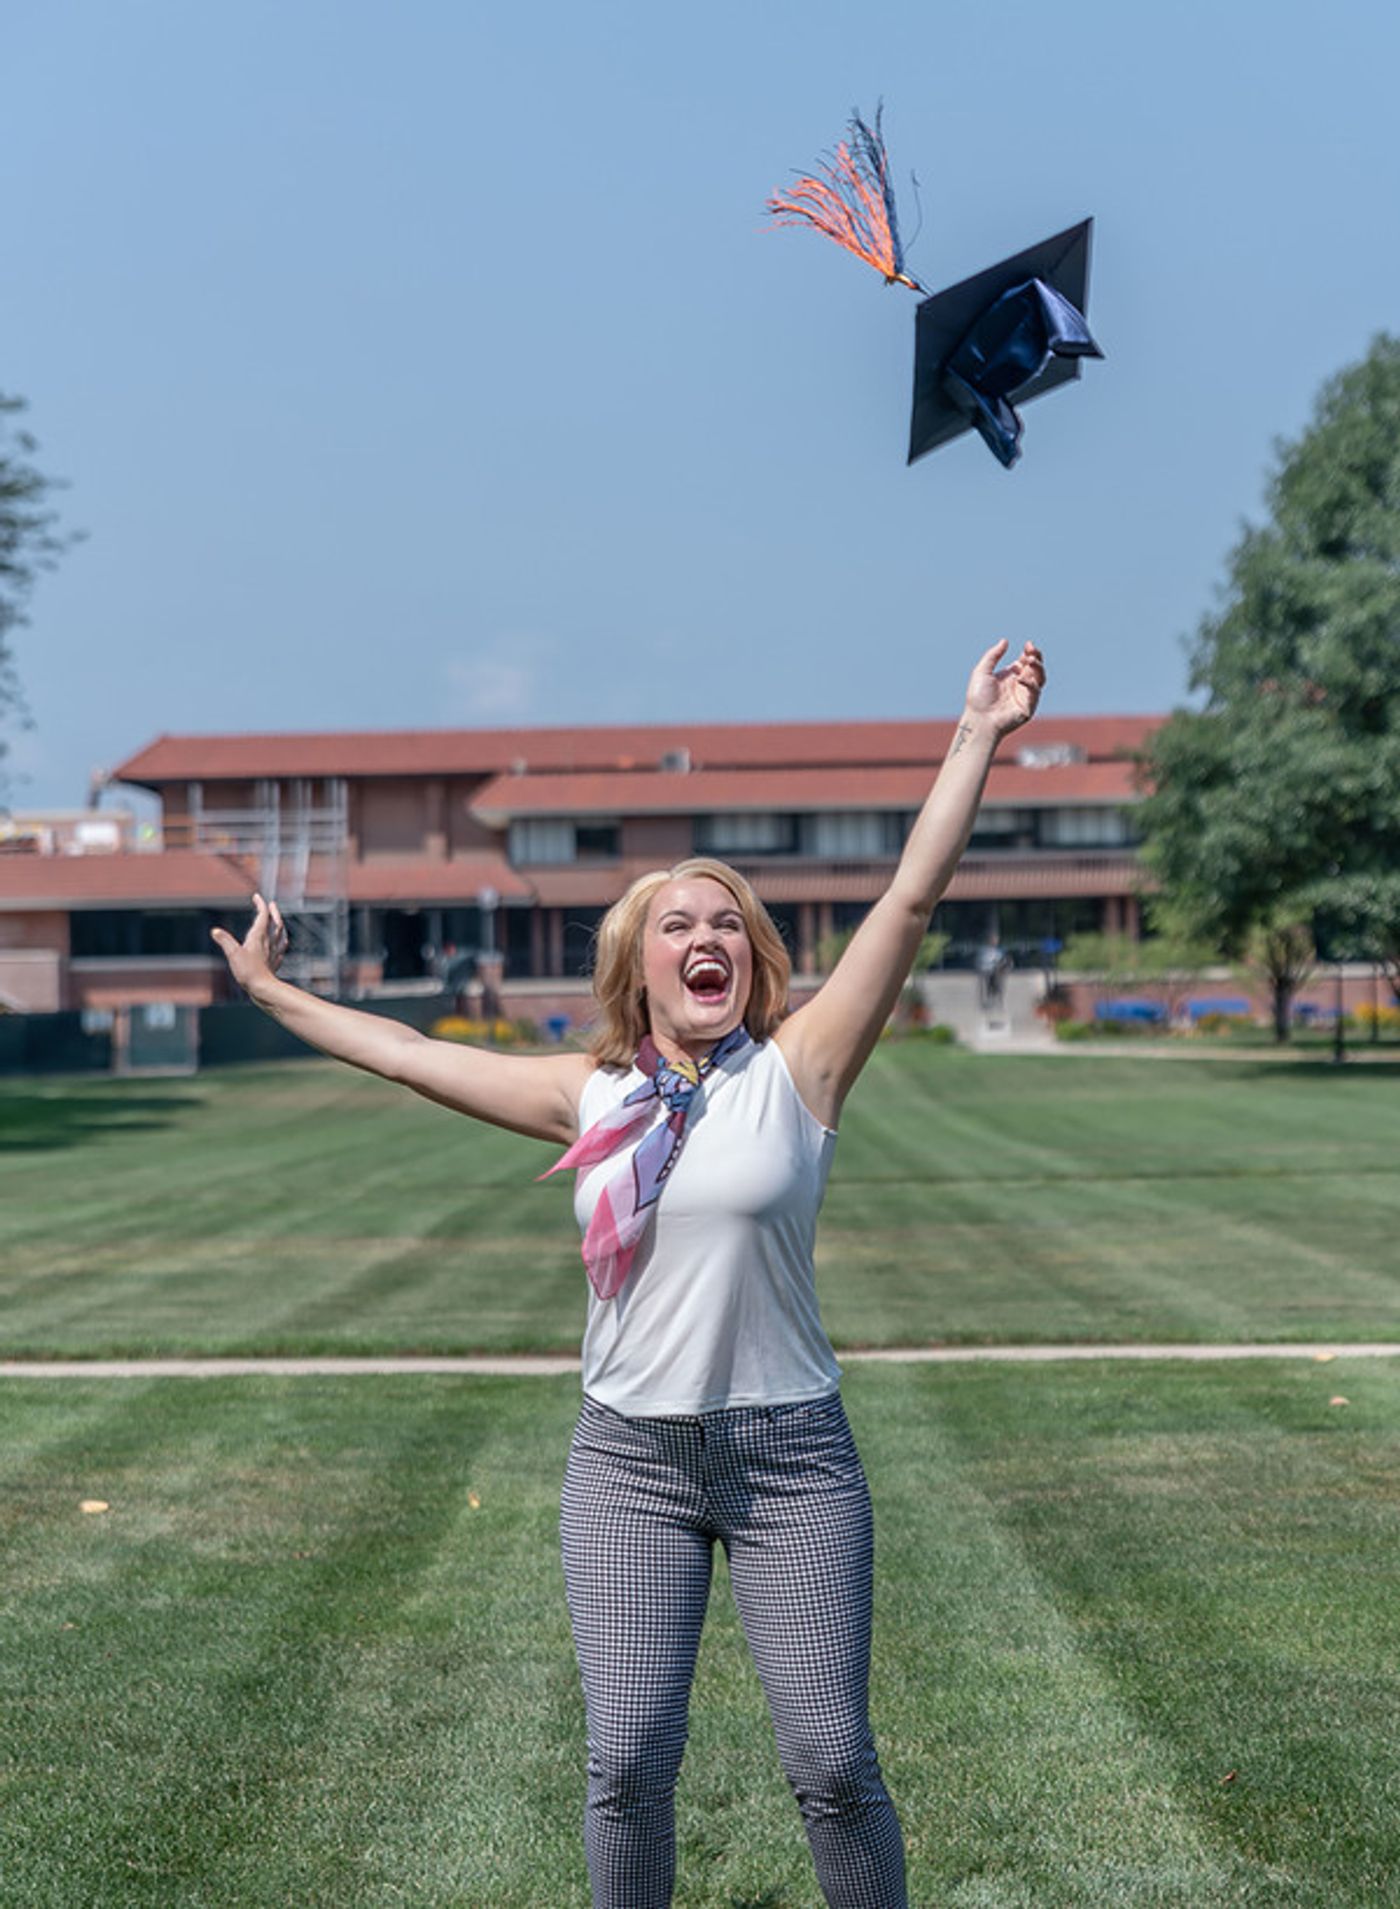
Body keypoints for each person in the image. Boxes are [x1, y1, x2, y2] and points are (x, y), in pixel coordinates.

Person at [212, 638, 1045, 1909]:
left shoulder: (800, 1068)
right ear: (637, 962)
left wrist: (977, 732)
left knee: (832, 1765)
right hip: (627, 1463)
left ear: (751, 959)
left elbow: (908, 902)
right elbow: (404, 1054)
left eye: (727, 923)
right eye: (678, 923)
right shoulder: (587, 1094)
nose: (706, 937)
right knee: (626, 1765)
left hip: (790, 1458)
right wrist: (273, 993)